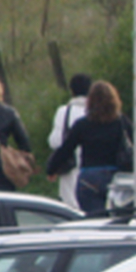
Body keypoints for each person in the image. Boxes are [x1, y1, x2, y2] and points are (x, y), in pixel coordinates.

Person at [47, 79, 130, 216]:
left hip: (89, 178)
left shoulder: (82, 125)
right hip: (116, 176)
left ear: (90, 102)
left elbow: (65, 149)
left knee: (95, 221)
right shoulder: (121, 122)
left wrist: (52, 169)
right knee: (119, 219)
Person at [47, 73, 91, 209]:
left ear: (71, 91)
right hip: (91, 168)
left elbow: (55, 141)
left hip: (69, 169)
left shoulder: (63, 112)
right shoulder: (97, 112)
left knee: (70, 208)